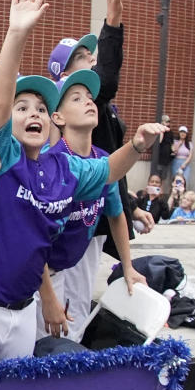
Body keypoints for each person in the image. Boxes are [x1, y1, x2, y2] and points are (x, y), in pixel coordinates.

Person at [0, 0, 166, 363]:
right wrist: (17, 32)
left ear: (52, 120)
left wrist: (137, 145)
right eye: (22, 107)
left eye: (41, 108)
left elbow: (108, 170)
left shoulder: (64, 166)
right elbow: (0, 99)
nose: (33, 114)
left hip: (24, 312)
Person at [46, 0, 155, 246]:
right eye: (82, 57)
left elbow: (109, 169)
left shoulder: (100, 108)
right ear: (65, 77)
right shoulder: (60, 128)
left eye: (91, 54)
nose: (92, 60)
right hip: (75, 222)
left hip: (100, 216)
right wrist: (113, 21)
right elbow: (107, 77)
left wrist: (132, 207)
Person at [36, 70, 145, 343]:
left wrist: (128, 266)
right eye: (76, 98)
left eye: (89, 97)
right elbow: (32, 238)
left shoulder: (104, 160)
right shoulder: (48, 163)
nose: (88, 102)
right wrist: (48, 295)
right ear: (57, 118)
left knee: (73, 339)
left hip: (74, 266)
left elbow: (117, 215)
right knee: (43, 346)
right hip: (41, 275)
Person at [154, 114, 174, 180]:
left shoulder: (170, 132)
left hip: (166, 159)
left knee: (163, 178)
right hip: (159, 157)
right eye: (166, 121)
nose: (167, 123)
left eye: (168, 122)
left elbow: (172, 144)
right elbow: (159, 141)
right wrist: (162, 130)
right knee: (157, 176)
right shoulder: (159, 131)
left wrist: (173, 151)